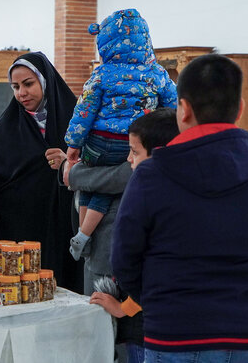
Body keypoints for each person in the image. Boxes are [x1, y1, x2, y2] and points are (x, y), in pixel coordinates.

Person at [112, 54, 248, 362]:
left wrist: (158, 300)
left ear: (184, 109)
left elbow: (125, 258)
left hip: (174, 334)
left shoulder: (152, 175)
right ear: (241, 108)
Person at [0, 52, 82, 292]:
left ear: (45, 80)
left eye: (28, 84)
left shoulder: (76, 121)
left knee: (65, 292)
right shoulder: (7, 127)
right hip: (18, 232)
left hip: (64, 226)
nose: (21, 93)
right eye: (15, 87)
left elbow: (94, 168)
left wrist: (69, 163)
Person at [64, 8, 177, 261]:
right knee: (109, 189)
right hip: (134, 143)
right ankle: (84, 235)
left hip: (99, 142)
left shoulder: (101, 74)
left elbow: (84, 110)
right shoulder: (157, 74)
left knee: (90, 185)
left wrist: (73, 143)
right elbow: (173, 106)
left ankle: (82, 235)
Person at [89, 108, 179, 363]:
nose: (129, 158)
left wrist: (123, 308)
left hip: (146, 327)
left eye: (135, 151)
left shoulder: (154, 197)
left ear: (160, 154)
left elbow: (152, 269)